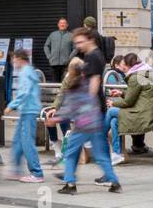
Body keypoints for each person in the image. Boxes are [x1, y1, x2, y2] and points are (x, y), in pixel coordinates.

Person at [51, 52, 121, 195]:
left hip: (82, 126)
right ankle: (114, 181)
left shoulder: (73, 86)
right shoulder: (89, 82)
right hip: (95, 123)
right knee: (101, 155)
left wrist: (56, 117)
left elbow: (70, 107)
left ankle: (70, 184)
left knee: (70, 154)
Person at [111, 53, 153, 158]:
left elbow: (128, 102)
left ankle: (109, 146)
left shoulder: (136, 76)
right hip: (151, 111)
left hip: (144, 113)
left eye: (124, 64)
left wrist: (113, 103)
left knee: (112, 112)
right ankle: (117, 152)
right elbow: (140, 95)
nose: (124, 66)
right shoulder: (147, 73)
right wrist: (122, 93)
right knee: (114, 120)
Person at [3, 49, 44, 182]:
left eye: (13, 59)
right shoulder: (28, 71)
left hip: (28, 111)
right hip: (26, 110)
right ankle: (16, 170)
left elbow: (24, 92)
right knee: (18, 141)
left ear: (20, 59)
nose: (12, 62)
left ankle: (37, 173)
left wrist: (11, 105)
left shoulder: (25, 72)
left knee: (27, 142)